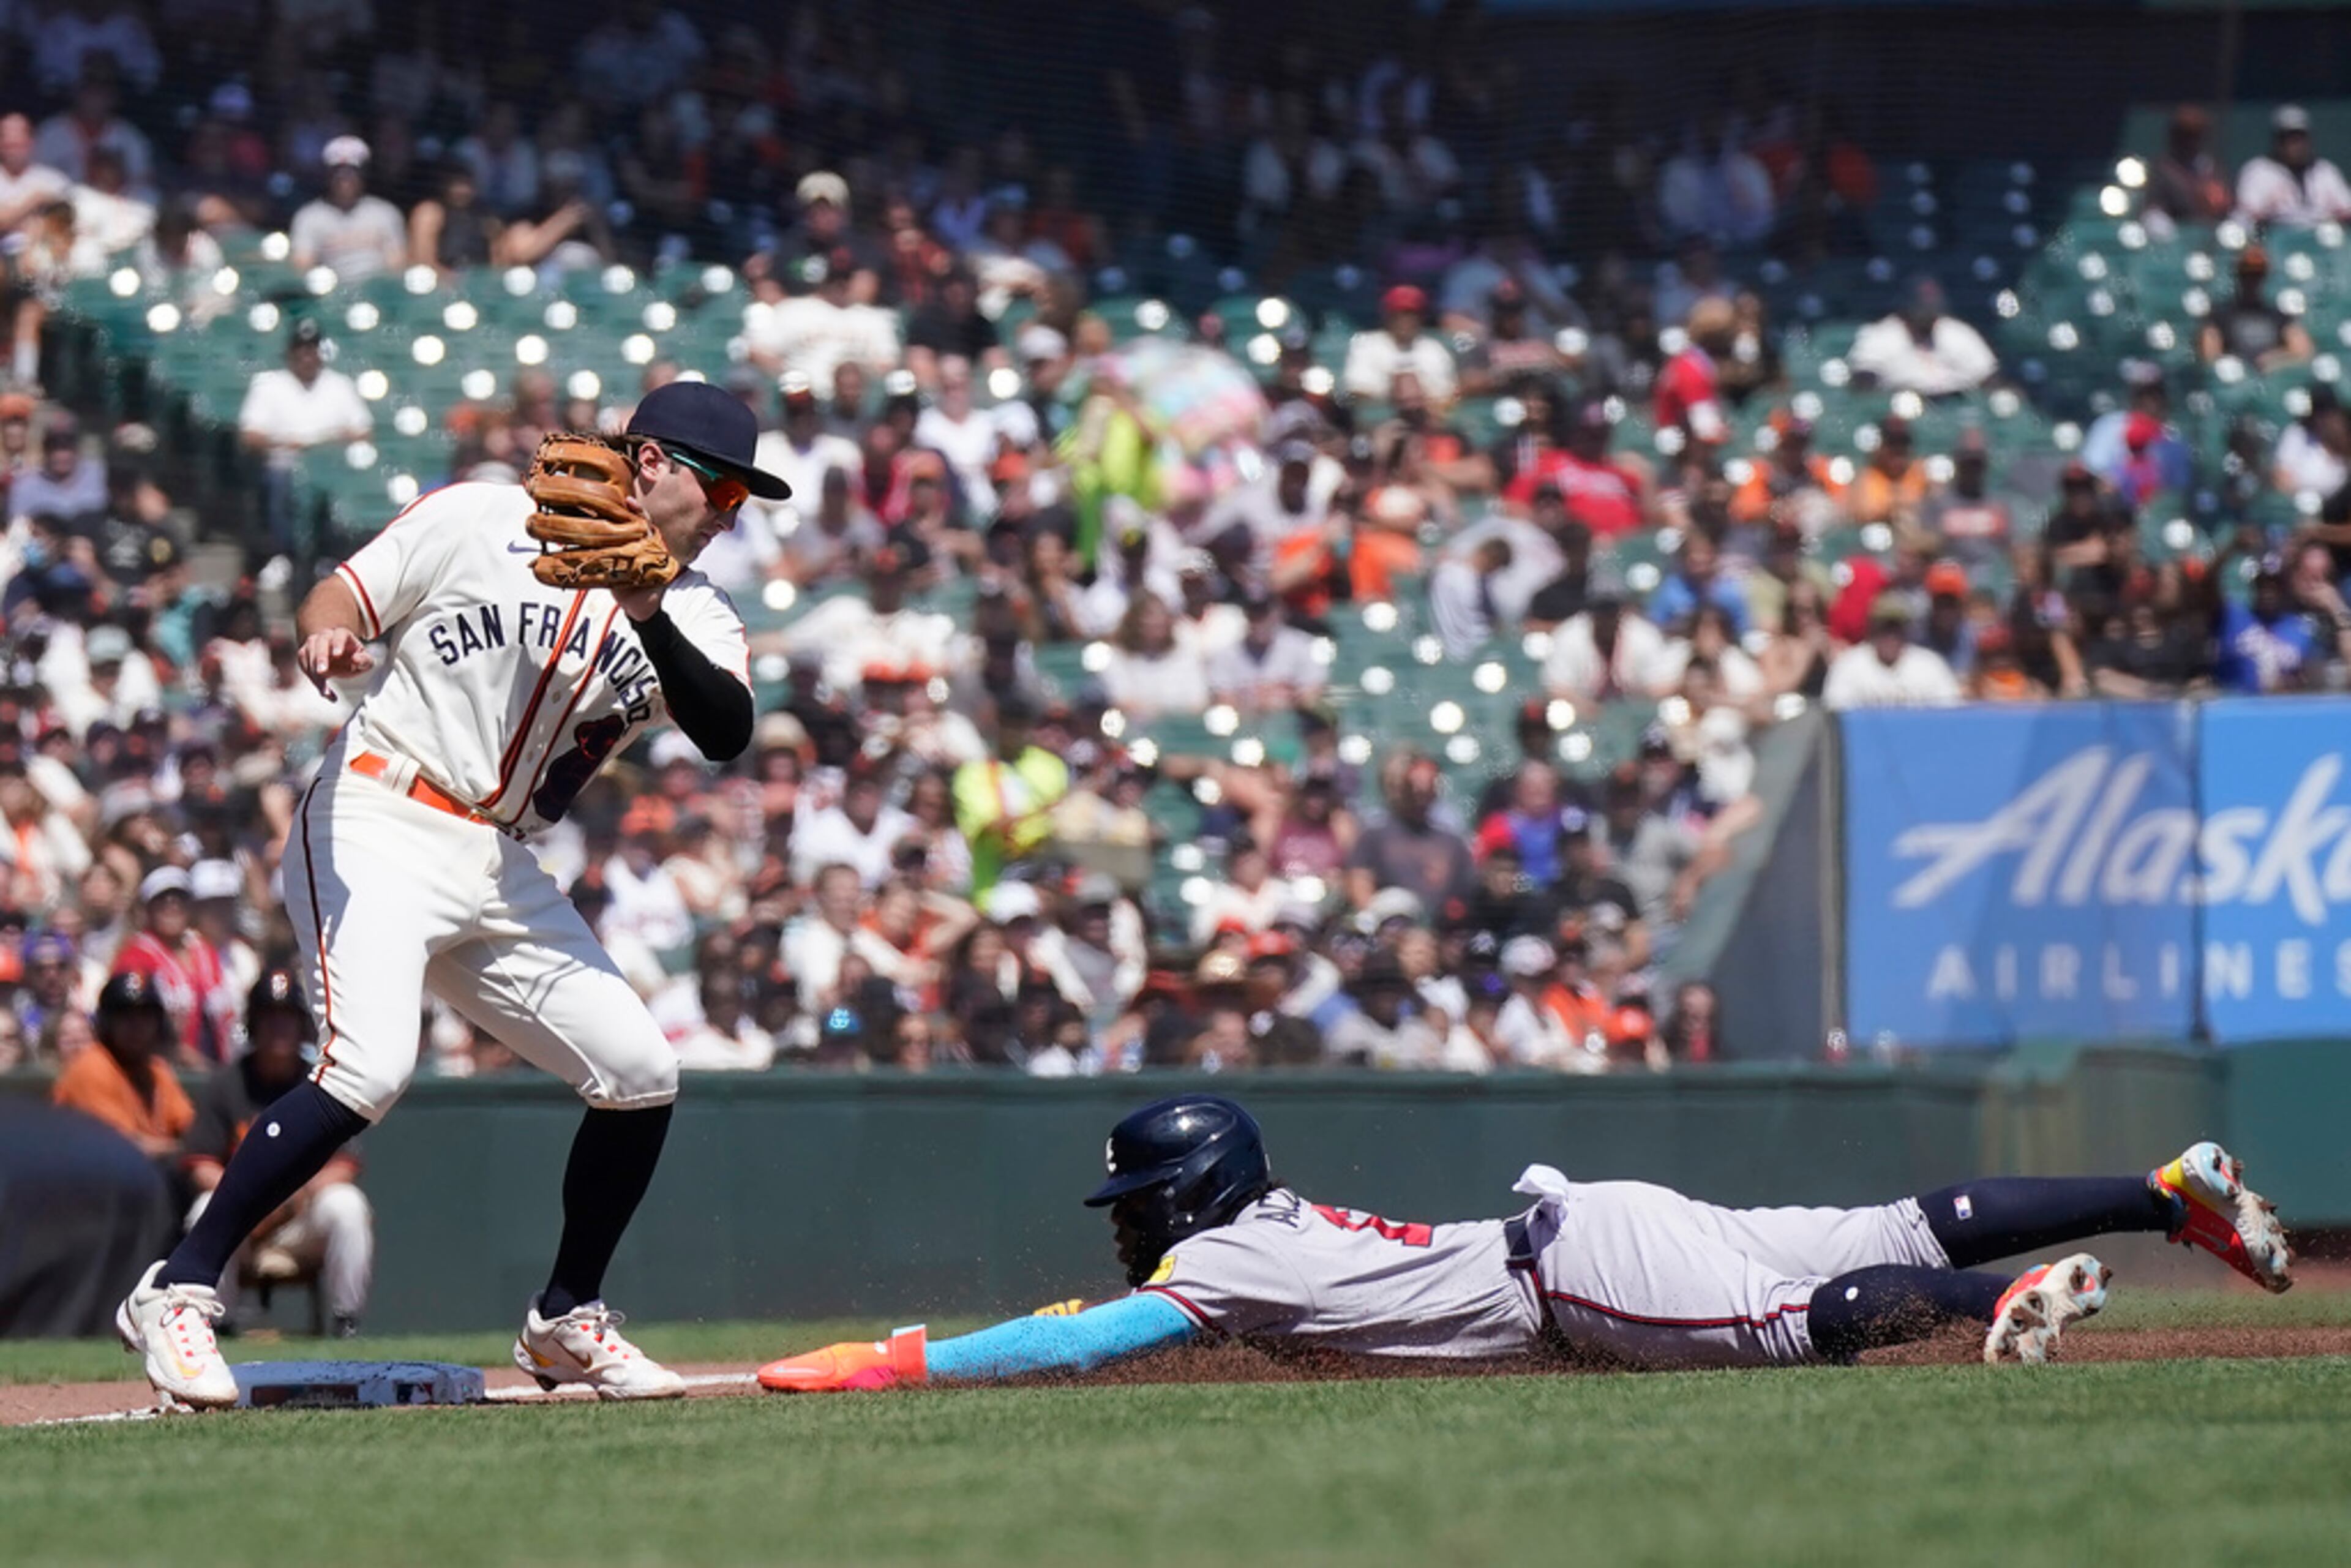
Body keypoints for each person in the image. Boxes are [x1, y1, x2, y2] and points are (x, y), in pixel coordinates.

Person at [113, 380, 777, 1409]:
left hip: (500, 860)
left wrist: (644, 606)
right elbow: (345, 593)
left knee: (641, 1068)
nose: (730, 518)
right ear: (651, 464)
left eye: (741, 505)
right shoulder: (482, 515)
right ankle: (177, 1288)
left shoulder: (694, 609)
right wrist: (322, 638)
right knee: (370, 1066)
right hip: (383, 807)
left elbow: (727, 729)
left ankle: (565, 1318)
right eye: (723, 492)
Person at [758, 1097, 2291, 1387]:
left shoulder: (1232, 1260)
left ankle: (1998, 1296)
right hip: (1592, 1217)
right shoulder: (1264, 1230)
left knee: (1787, 1320)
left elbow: (1085, 1338)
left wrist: (894, 1359)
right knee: (1882, 1218)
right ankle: (2160, 1187)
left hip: (1577, 1274)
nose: (1135, 1226)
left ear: (1194, 1188)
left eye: (1140, 1200)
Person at [183, 968, 373, 1335]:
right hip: (241, 1221)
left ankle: (345, 1323)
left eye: (287, 1018)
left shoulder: (322, 1083)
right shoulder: (227, 1084)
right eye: (269, 1018)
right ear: (253, 1024)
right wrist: (243, 1202)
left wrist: (289, 1200)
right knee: (204, 1208)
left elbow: (345, 1165)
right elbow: (200, 1164)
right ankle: (213, 1327)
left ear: (302, 1025)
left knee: (346, 1205)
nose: (279, 1028)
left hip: (299, 1221)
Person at [51, 970, 192, 1160]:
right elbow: (123, 1147)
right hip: (85, 1178)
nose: (138, 1027)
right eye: (127, 1017)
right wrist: (186, 1149)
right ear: (107, 1023)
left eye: (145, 1017)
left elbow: (191, 1127)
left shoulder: (156, 1069)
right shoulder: (91, 1067)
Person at [1847, 278, 1997, 397]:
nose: (1930, 309)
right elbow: (1863, 381)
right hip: (1904, 405)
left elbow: (1988, 377)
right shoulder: (1882, 336)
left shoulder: (1957, 332)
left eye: (1934, 303)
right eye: (1925, 302)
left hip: (1956, 404)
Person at [287, 135, 405, 282]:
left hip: (378, 291)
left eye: (353, 171)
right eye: (338, 171)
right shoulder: (308, 217)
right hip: (331, 294)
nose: (345, 178)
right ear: (327, 174)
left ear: (364, 173)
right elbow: (302, 267)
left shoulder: (386, 213)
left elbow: (397, 267)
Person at [1823, 594, 1963, 709]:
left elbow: (1949, 716)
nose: (1891, 636)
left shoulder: (1930, 666)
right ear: (1872, 630)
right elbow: (1835, 715)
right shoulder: (1849, 665)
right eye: (1884, 628)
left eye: (1896, 628)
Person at [2234, 105, 2351, 231]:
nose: (2296, 146)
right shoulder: (2258, 171)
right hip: (2276, 240)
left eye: (2300, 138)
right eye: (2290, 139)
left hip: (2322, 242)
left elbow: (2347, 210)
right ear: (2277, 141)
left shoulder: (2326, 171)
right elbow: (2246, 218)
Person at [1342, 285, 1457, 405]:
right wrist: (1401, 391)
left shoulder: (1434, 349)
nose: (1405, 321)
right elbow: (1358, 391)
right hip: (1378, 419)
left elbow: (1446, 395)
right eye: (1399, 315)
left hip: (1425, 418)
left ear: (1421, 318)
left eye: (1411, 315)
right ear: (1387, 316)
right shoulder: (1367, 345)